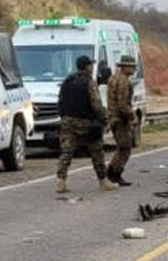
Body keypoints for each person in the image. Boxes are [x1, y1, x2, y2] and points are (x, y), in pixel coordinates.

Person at [57, 55, 116, 193]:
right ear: (87, 67)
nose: (92, 67)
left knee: (67, 151)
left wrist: (64, 116)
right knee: (97, 151)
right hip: (87, 123)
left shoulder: (67, 81)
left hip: (68, 121)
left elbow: (60, 101)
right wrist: (104, 119)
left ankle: (61, 181)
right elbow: (96, 104)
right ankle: (103, 180)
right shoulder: (89, 82)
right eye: (90, 65)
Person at [106, 54, 139, 186]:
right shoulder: (123, 81)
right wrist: (132, 116)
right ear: (125, 67)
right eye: (131, 67)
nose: (134, 70)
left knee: (123, 146)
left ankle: (112, 173)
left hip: (114, 117)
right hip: (120, 118)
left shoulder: (113, 78)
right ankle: (114, 173)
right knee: (125, 147)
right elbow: (122, 103)